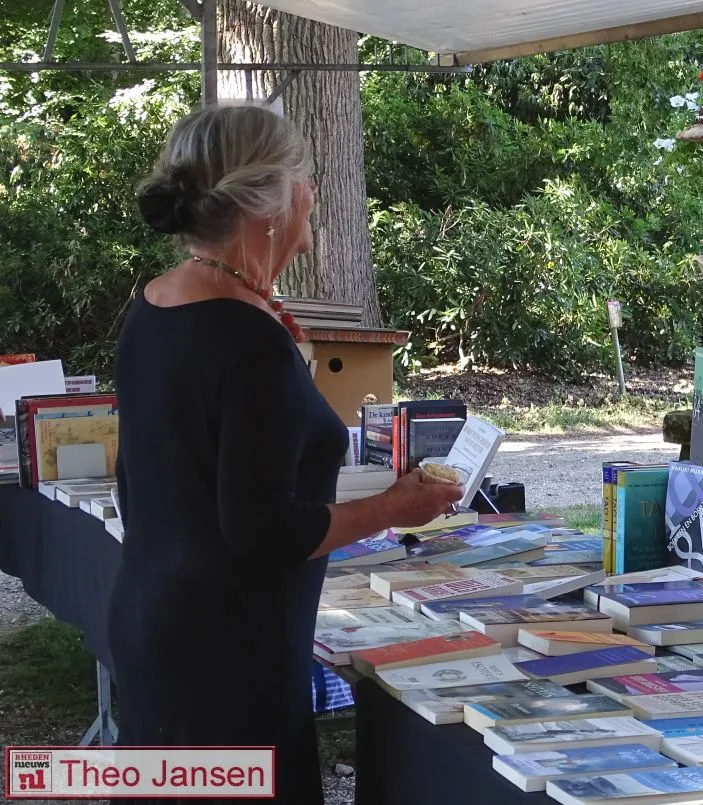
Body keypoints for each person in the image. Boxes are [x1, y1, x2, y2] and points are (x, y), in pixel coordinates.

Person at [112, 103, 462, 804]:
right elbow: (264, 529)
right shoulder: (249, 342)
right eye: (305, 177)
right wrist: (395, 507)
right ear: (268, 204)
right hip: (228, 652)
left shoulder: (155, 304)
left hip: (159, 619)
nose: (313, 194)